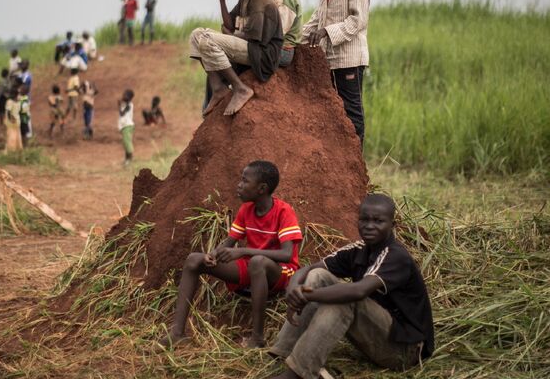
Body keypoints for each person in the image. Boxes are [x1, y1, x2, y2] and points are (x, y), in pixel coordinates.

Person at [267, 194, 434, 379]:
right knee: (318, 276)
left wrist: (307, 295)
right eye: (364, 220)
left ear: (393, 226)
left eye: (378, 221)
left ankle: (298, 373)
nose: (370, 226)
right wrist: (294, 288)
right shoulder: (359, 249)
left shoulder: (396, 256)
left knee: (346, 299)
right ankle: (282, 352)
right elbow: (309, 269)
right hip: (379, 333)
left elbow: (358, 290)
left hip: (404, 350)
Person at [160, 161, 303, 349]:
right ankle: (177, 333)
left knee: (258, 262)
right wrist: (213, 254)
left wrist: (242, 251)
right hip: (253, 266)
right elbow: (228, 242)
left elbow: (286, 255)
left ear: (262, 188)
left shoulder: (284, 211)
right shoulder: (246, 209)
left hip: (282, 273)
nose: (239, 185)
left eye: (245, 181)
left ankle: (257, 338)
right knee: (194, 259)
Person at [189, 0, 283, 117]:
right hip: (251, 48)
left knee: (206, 39)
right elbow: (229, 25)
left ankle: (240, 88)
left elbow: (253, 37)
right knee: (196, 34)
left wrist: (231, 34)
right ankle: (218, 88)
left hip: (262, 55)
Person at [302, 0, 370, 145]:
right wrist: (294, 38)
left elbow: (358, 19)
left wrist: (327, 32)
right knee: (334, 109)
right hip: (330, 59)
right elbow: (317, 19)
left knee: (352, 110)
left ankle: (355, 160)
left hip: (349, 59)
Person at [118, 89, 135, 165]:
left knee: (127, 142)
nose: (123, 96)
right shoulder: (125, 104)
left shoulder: (129, 105)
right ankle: (126, 159)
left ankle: (130, 159)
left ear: (129, 97)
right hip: (124, 126)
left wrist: (118, 105)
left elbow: (122, 114)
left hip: (127, 126)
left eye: (125, 95)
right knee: (125, 143)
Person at [4, 88, 23, 152]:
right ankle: (11, 150)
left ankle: (17, 149)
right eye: (18, 94)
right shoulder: (10, 102)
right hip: (11, 123)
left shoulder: (18, 102)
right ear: (15, 95)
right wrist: (11, 119)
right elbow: (8, 112)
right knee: (11, 136)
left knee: (17, 136)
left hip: (17, 122)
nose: (19, 95)